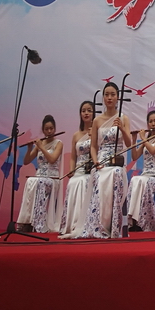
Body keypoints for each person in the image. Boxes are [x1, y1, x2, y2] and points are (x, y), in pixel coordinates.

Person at [84, 81, 132, 238]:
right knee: (99, 176)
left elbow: (129, 143)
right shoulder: (97, 120)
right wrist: (95, 161)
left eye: (113, 94)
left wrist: (122, 128)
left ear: (118, 97)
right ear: (103, 98)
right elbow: (93, 147)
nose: (109, 97)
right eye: (107, 95)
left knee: (116, 174)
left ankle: (115, 225)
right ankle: (98, 224)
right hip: (101, 162)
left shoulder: (123, 118)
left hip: (116, 161)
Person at [16, 114, 63, 233]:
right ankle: (27, 222)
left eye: (51, 128)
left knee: (40, 182)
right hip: (39, 176)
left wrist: (41, 147)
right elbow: (26, 161)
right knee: (30, 181)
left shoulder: (58, 143)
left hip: (53, 178)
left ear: (55, 129)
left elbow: (52, 159)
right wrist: (29, 148)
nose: (49, 131)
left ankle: (39, 223)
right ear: (43, 130)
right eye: (46, 129)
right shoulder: (40, 144)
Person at [126, 110, 155, 232]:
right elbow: (134, 157)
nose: (153, 123)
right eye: (150, 121)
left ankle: (145, 222)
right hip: (146, 174)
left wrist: (143, 138)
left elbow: (153, 151)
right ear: (147, 124)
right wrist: (134, 140)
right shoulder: (146, 140)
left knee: (146, 182)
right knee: (135, 180)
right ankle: (133, 220)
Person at [60, 101, 95, 238]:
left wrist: (93, 136)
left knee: (84, 181)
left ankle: (84, 223)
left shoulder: (97, 132)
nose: (86, 113)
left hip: (92, 169)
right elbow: (73, 157)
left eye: (89, 110)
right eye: (83, 111)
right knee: (74, 182)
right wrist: (72, 170)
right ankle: (72, 224)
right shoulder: (76, 135)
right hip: (79, 170)